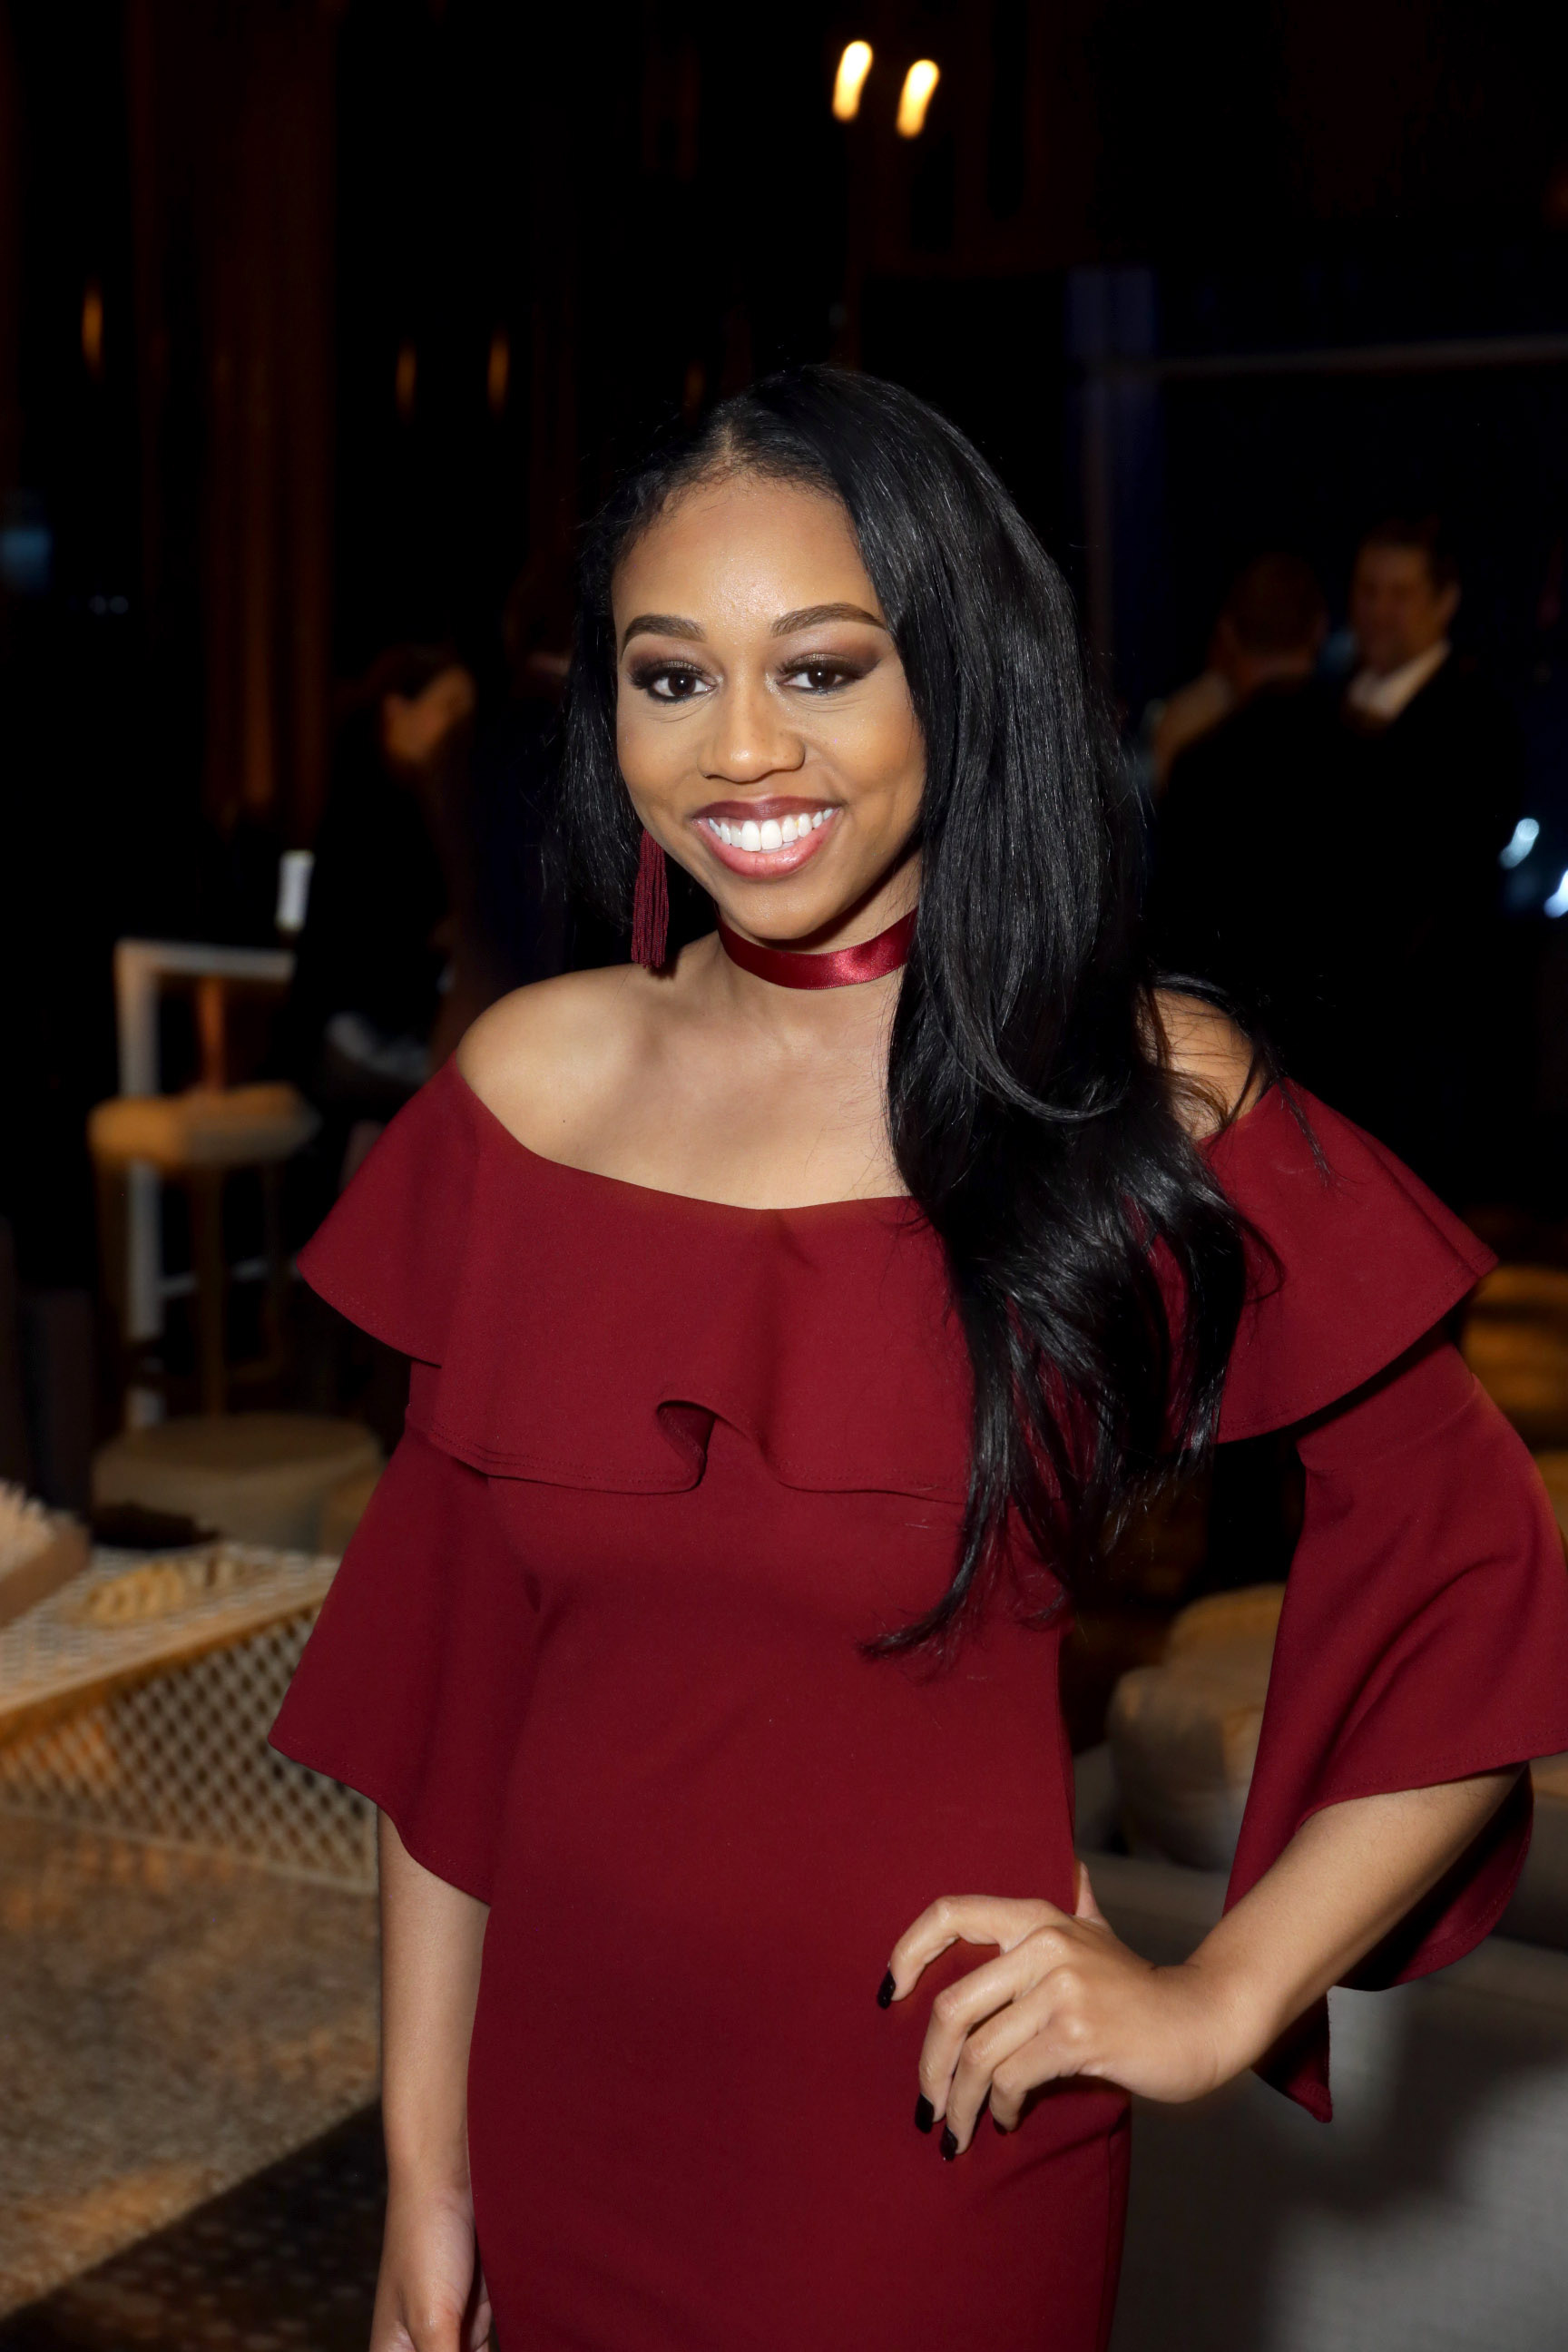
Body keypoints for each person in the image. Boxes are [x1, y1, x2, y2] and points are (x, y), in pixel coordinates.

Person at [269, 372, 1568, 2351]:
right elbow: (452, 1715)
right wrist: (424, 2178)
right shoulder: (528, 1089)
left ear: (956, 679)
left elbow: (1480, 1569)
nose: (741, 746)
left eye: (821, 666)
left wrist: (1217, 1995)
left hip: (925, 2141)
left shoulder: (1137, 1091)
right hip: (563, 2115)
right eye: (671, 676)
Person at [1327, 517, 1526, 1199]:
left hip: (1422, 1042)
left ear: (1445, 601)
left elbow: (1449, 880)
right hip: (1339, 1041)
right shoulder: (1331, 707)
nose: (1380, 611)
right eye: (1368, 590)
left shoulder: (1475, 720)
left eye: (1401, 593)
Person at [1149, 554, 1336, 1066]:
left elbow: (1177, 932)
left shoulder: (1201, 767)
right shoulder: (1370, 751)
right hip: (1353, 1046)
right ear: (1319, 628)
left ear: (1229, 635)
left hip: (1242, 1045)